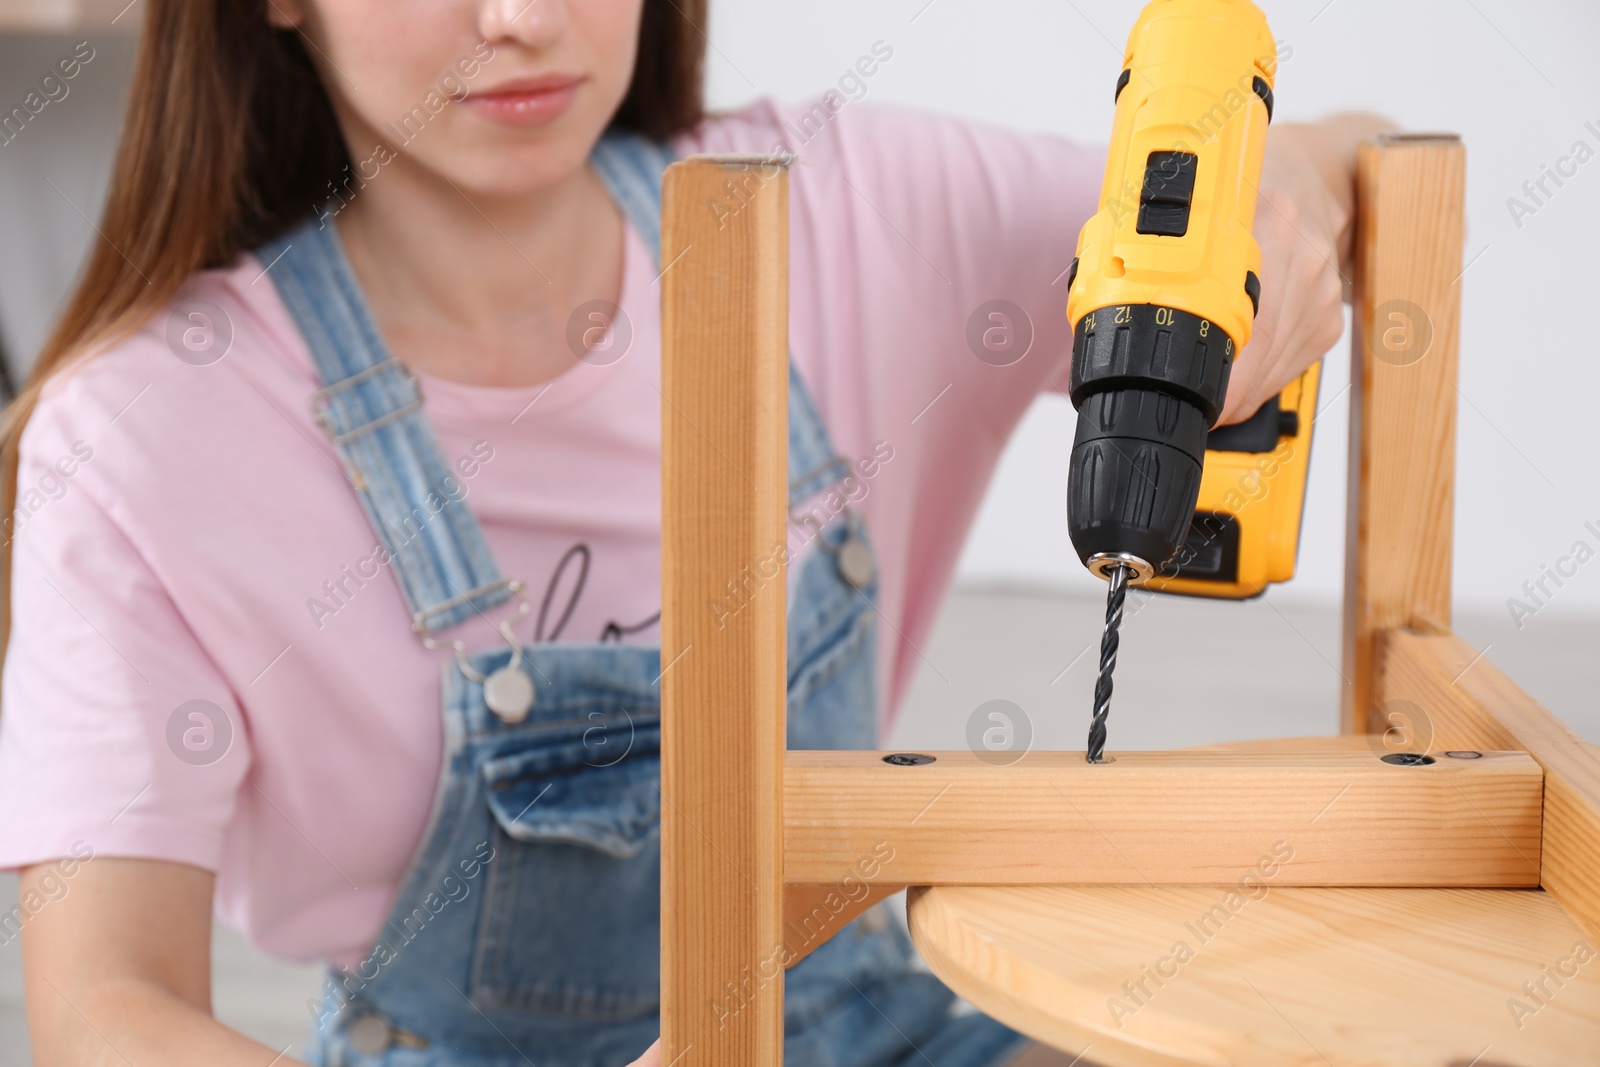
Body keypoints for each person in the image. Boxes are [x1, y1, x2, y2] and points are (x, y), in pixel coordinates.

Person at [0, 1, 1382, 1064]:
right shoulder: (138, 434)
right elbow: (102, 1007)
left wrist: (1284, 212)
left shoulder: (843, 206)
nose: (525, 17)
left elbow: (1341, 155)